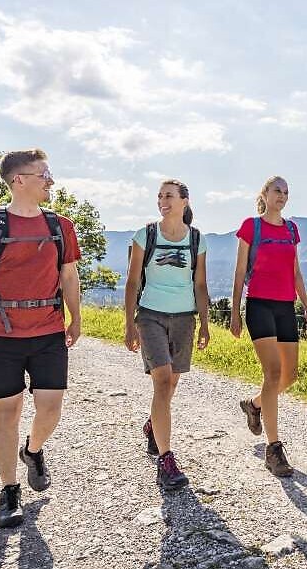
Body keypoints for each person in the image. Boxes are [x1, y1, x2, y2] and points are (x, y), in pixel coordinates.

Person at [0, 148, 82, 528]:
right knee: (6, 412)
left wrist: (76, 318)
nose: (51, 181)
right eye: (44, 174)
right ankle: (9, 490)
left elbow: (70, 276)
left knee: (50, 408)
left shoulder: (61, 226)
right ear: (19, 180)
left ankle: (33, 449)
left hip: (48, 329)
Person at [124, 179, 210, 491]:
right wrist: (129, 322)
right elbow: (133, 282)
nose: (163, 201)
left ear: (185, 201)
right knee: (161, 381)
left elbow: (200, 285)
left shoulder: (197, 239)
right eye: (160, 196)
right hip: (150, 315)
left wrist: (205, 322)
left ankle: (152, 426)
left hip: (185, 318)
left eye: (169, 196)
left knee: (172, 383)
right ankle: (166, 460)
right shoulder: (145, 235)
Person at [230, 175, 307, 477]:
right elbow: (240, 271)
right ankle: (274, 449)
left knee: (290, 376)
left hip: (285, 306)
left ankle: (254, 405)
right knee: (274, 373)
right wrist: (235, 311)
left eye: (286, 192)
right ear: (264, 194)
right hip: (259, 306)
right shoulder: (250, 227)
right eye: (277, 190)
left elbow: (296, 274)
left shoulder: (292, 230)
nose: (282, 195)